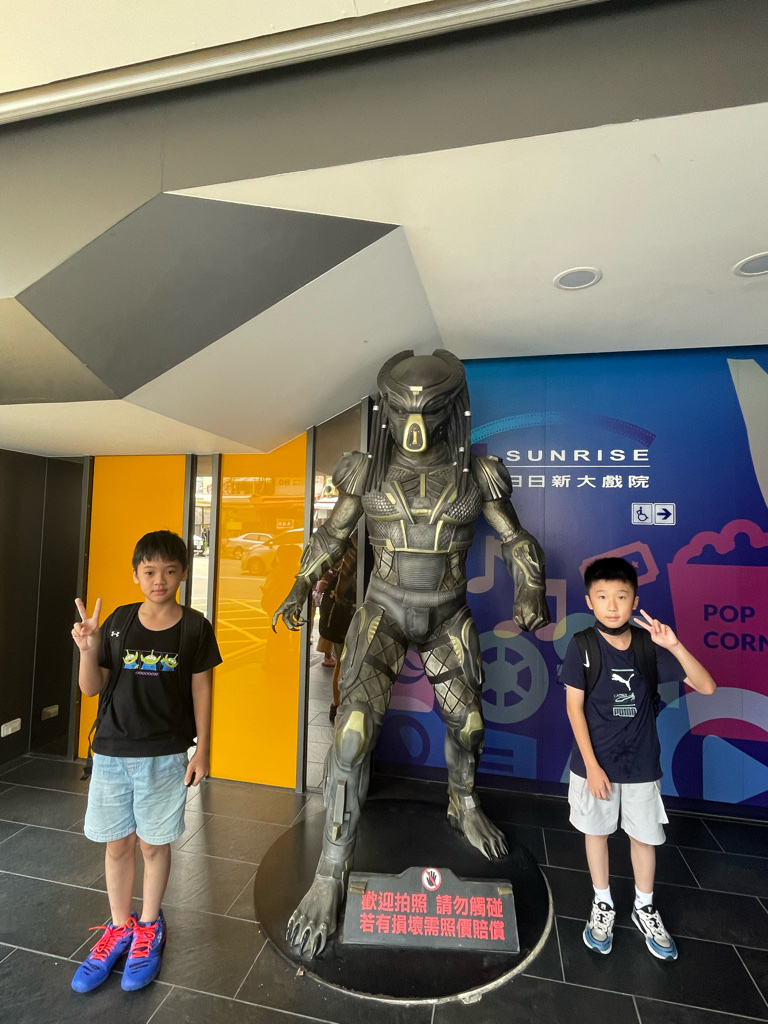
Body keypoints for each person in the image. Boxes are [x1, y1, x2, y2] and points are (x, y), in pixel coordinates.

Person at [273, 349, 549, 956]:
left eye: (427, 412)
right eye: (402, 412)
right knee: (351, 735)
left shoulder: (478, 474)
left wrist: (530, 587)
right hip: (383, 611)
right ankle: (330, 872)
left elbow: (516, 538)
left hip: (448, 613)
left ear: (452, 411)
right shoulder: (365, 472)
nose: (414, 426)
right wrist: (301, 583)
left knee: (470, 726)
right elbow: (333, 533)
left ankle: (462, 801)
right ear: (387, 412)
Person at [70, 530, 222, 993]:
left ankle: (150, 926)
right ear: (135, 574)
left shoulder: (194, 627)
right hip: (112, 752)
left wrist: (203, 749)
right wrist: (88, 649)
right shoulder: (118, 621)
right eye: (150, 571)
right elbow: (90, 688)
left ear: (183, 574)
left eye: (170, 571)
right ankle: (119, 927)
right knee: (117, 845)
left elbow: (202, 688)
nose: (160, 580)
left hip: (165, 754)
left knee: (154, 845)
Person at [561, 556, 716, 961]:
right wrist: (592, 767)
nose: (612, 605)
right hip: (595, 766)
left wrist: (674, 645)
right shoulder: (582, 646)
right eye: (602, 597)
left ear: (635, 601)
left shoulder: (649, 646)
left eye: (621, 596)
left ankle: (644, 907)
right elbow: (574, 708)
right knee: (596, 833)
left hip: (642, 765)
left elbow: (707, 686)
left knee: (643, 838)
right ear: (589, 602)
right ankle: (602, 903)